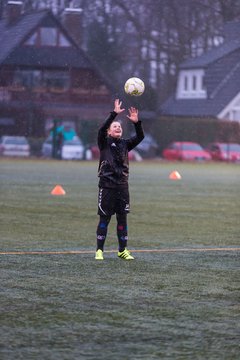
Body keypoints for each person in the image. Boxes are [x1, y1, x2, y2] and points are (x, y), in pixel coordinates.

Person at [95, 99, 145, 260]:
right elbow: (102, 128)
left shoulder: (125, 144)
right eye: (115, 126)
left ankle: (122, 250)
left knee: (122, 218)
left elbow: (140, 136)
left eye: (120, 126)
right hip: (107, 186)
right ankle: (99, 251)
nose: (118, 127)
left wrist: (137, 123)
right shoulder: (104, 143)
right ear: (109, 132)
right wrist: (114, 114)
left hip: (122, 187)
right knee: (105, 218)